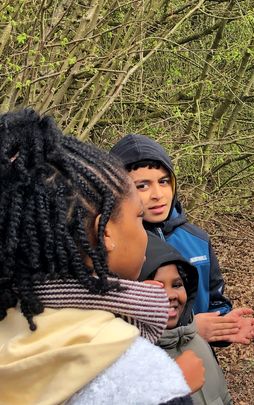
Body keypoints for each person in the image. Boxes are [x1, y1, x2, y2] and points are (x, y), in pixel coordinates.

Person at [0, 109, 193, 404]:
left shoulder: (9, 332)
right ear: (105, 234)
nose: (145, 234)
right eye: (138, 218)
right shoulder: (141, 380)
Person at [109, 134, 254, 345]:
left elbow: (214, 302)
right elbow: (110, 327)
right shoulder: (111, 247)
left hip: (199, 365)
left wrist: (225, 325)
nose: (158, 194)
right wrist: (191, 328)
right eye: (142, 186)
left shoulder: (197, 239)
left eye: (163, 182)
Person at [139, 234, 232, 405]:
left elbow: (224, 398)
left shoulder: (198, 342)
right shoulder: (134, 361)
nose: (170, 295)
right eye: (157, 287)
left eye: (176, 285)